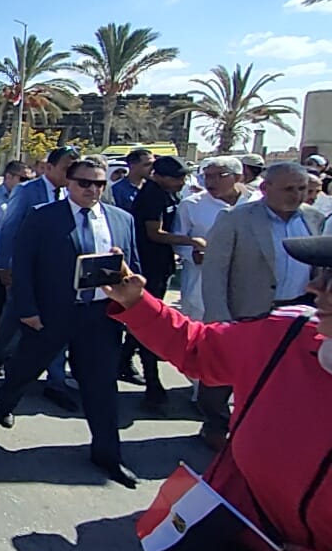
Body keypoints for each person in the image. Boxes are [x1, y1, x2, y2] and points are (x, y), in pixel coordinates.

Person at [108, 236, 332, 551]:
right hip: (217, 535)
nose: (315, 287)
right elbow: (198, 348)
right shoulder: (287, 333)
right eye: (322, 273)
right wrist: (136, 302)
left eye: (331, 278)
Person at [0, 158, 142, 487]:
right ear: (69, 184)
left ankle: (108, 453)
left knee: (102, 387)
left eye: (99, 184)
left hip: (100, 317)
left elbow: (133, 267)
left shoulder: (121, 220)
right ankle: (6, 401)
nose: (92, 190)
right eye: (84, 183)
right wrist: (26, 309)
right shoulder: (44, 216)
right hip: (52, 314)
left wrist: (132, 305)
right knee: (26, 366)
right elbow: (24, 265)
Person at [200, 161, 325, 450]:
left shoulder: (314, 219)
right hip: (247, 310)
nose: (296, 195)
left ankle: (266, 429)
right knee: (223, 375)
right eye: (289, 189)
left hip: (299, 311)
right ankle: (215, 426)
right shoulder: (235, 218)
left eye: (302, 189)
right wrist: (219, 318)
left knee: (284, 376)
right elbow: (215, 271)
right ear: (266, 188)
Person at [0, 146, 79, 411]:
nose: (71, 174)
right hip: (26, 274)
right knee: (11, 324)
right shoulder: (27, 192)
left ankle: (56, 383)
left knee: (57, 331)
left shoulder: (72, 194)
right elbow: (9, 229)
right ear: (49, 167)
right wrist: (3, 266)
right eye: (66, 168)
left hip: (58, 279)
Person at [130, 155, 202, 410]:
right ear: (159, 176)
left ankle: (124, 359)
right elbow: (154, 233)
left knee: (145, 318)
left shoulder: (169, 194)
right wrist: (190, 241)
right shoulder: (152, 195)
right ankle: (152, 382)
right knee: (148, 320)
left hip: (161, 265)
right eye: (176, 178)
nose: (181, 182)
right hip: (148, 265)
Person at [173, 156, 257, 321]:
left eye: (220, 175)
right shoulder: (191, 205)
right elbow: (178, 239)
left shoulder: (257, 202)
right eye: (208, 176)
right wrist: (193, 255)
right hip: (201, 282)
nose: (211, 181)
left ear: (238, 177)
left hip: (246, 281)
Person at [111, 148, 154, 213]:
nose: (152, 168)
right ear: (132, 166)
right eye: (147, 165)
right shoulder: (118, 190)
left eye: (153, 164)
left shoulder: (153, 186)